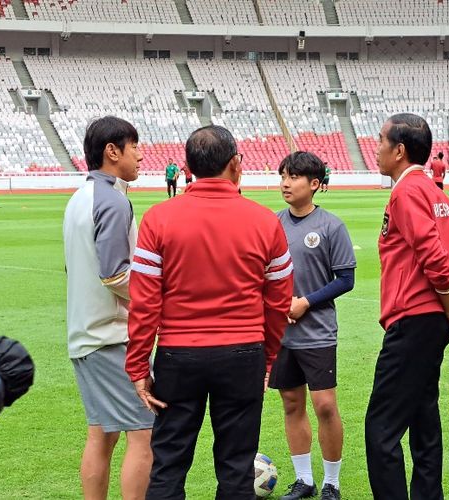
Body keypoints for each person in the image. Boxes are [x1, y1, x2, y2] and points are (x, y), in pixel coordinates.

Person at [125, 125, 294, 500]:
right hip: (242, 353)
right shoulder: (266, 221)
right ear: (235, 164)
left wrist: (138, 367)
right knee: (236, 469)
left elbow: (144, 302)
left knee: (168, 465)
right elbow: (279, 302)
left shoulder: (158, 219)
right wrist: (266, 359)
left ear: (187, 167)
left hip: (178, 356)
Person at [365, 113, 449, 500]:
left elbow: (436, 260)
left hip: (414, 322)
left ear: (398, 151)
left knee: (381, 429)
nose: (376, 147)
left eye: (381, 141)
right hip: (430, 325)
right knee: (423, 421)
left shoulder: (406, 192)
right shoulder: (436, 194)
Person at [62, 116, 153, 500]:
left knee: (102, 433)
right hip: (110, 336)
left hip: (85, 334)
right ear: (112, 152)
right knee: (145, 433)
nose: (140, 156)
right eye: (134, 147)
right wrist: (156, 303)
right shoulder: (113, 200)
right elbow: (116, 275)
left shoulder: (79, 198)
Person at [270, 152, 356, 500]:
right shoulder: (273, 223)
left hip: (317, 331)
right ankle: (303, 480)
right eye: (283, 176)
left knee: (324, 405)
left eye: (293, 177)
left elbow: (346, 279)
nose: (285, 183)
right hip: (282, 333)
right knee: (291, 403)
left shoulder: (331, 226)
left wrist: (306, 302)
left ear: (315, 184)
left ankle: (331, 482)